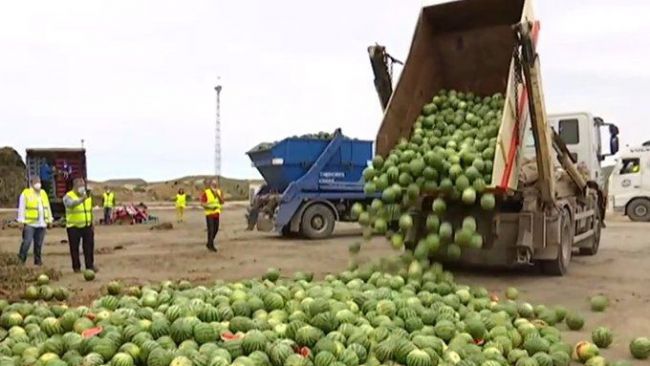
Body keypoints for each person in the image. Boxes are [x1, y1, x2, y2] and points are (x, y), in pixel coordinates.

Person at [17, 176, 53, 265]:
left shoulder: (43, 193)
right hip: (30, 223)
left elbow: (47, 207)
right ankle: (21, 259)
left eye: (39, 181)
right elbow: (22, 208)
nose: (38, 184)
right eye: (36, 182)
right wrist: (21, 221)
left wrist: (49, 220)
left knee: (39, 244)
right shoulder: (26, 193)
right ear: (31, 183)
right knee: (27, 242)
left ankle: (38, 260)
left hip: (42, 223)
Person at [64, 178, 97, 273]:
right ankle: (76, 267)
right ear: (74, 187)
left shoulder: (87, 197)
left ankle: (90, 266)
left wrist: (92, 222)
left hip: (87, 225)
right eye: (80, 186)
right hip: (73, 226)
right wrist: (81, 200)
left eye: (83, 186)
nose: (82, 188)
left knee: (89, 247)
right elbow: (70, 205)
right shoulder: (68, 196)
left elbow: (89, 210)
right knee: (74, 248)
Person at [200, 179, 224, 252]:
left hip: (217, 213)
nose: (215, 185)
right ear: (210, 185)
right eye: (213, 183)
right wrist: (209, 207)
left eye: (216, 183)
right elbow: (202, 203)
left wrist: (218, 195)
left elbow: (222, 202)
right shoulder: (206, 192)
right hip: (209, 213)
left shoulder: (219, 192)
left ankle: (209, 243)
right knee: (211, 229)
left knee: (216, 229)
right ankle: (211, 246)